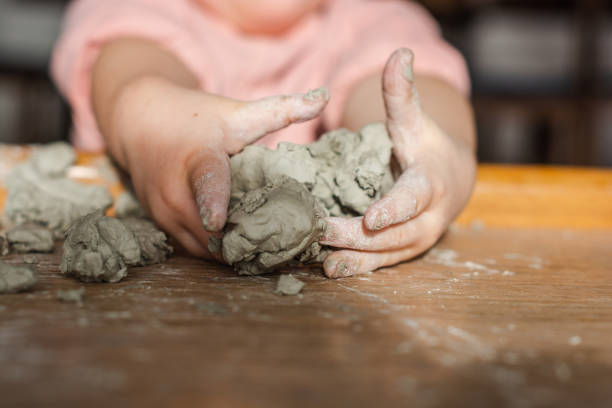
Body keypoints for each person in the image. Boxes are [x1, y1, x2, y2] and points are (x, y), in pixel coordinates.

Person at [51, 0, 476, 278]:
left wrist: (434, 155)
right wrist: (164, 128)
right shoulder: (135, 8)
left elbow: (401, 92)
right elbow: (135, 78)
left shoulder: (377, 15)